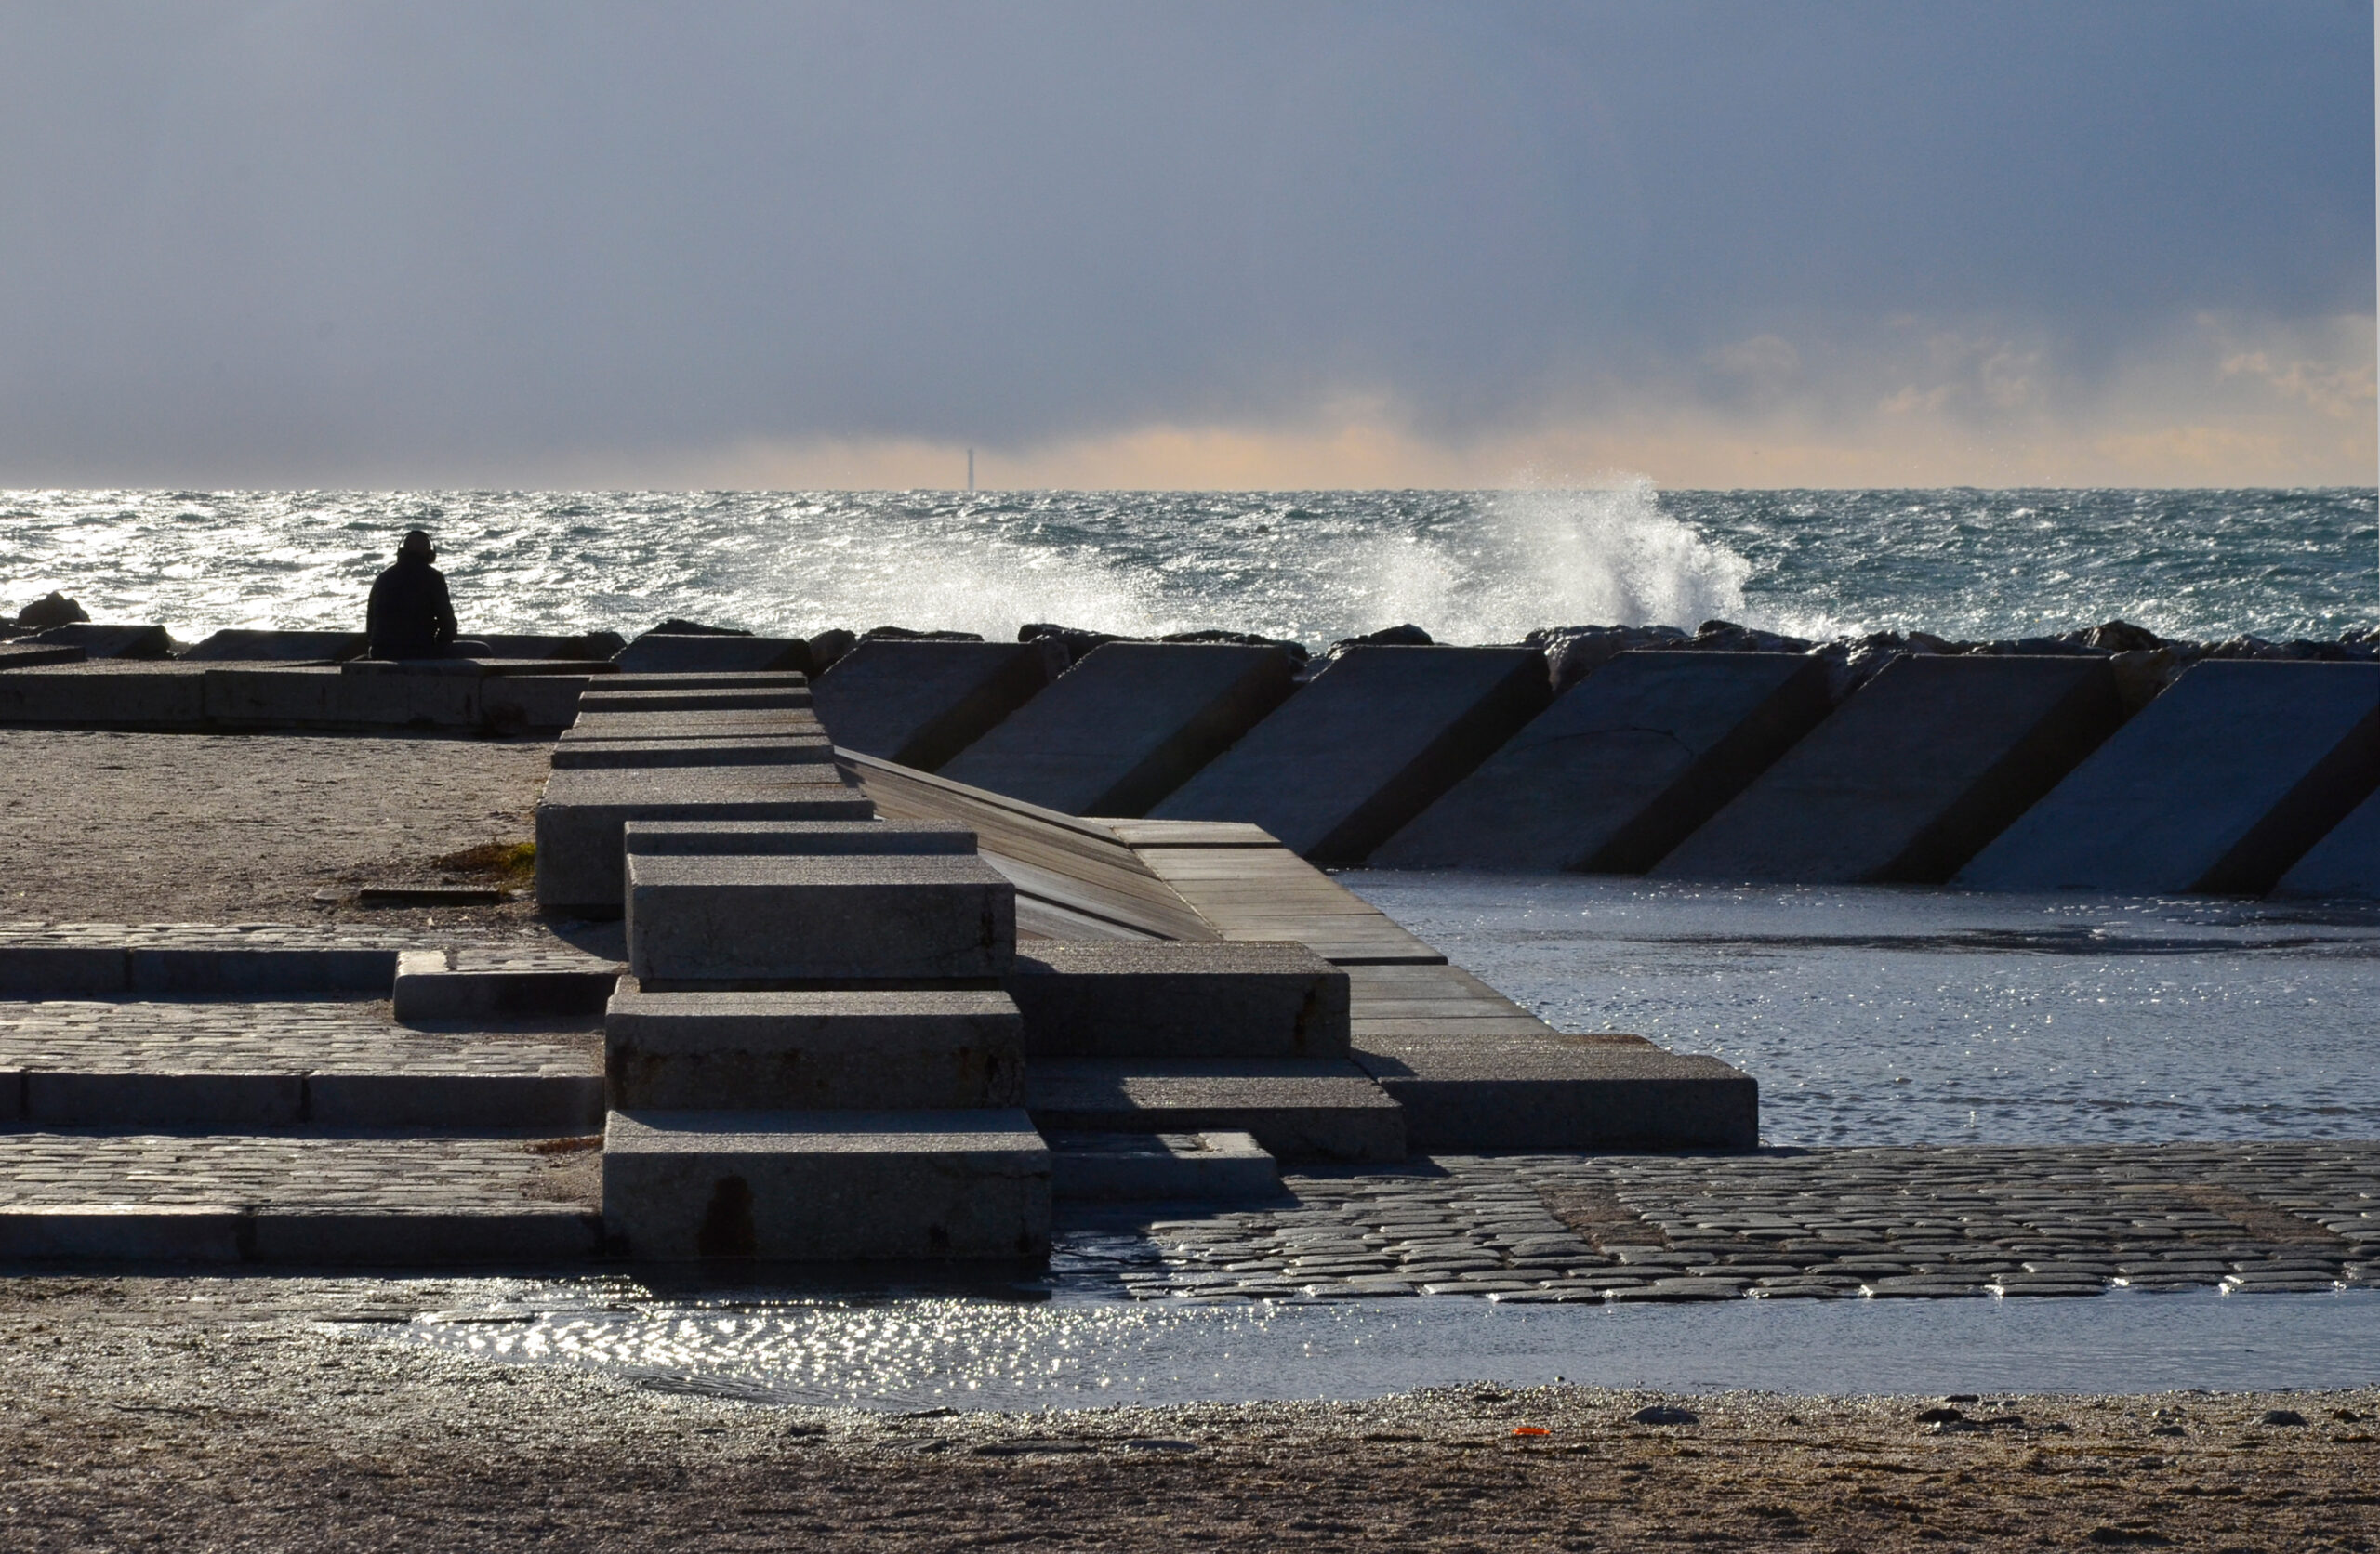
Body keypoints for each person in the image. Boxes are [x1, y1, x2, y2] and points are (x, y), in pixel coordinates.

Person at [365, 530, 487, 658]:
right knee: (483, 651)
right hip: (419, 652)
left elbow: (370, 625)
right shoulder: (434, 578)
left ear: (401, 552)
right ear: (430, 555)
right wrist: (439, 644)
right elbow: (448, 625)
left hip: (380, 653)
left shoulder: (383, 578)